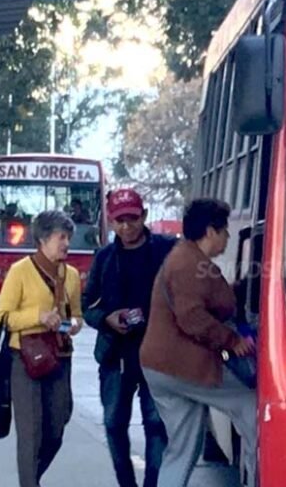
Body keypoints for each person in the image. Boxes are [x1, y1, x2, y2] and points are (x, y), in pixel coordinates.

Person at [140, 199, 256, 487]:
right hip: (185, 366)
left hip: (161, 368)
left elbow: (213, 299)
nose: (228, 237)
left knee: (182, 448)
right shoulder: (188, 263)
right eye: (225, 230)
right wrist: (232, 341)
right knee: (253, 410)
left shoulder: (186, 258)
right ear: (210, 231)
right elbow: (191, 317)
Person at [83, 189, 176, 487]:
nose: (126, 226)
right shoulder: (104, 257)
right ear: (111, 222)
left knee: (156, 426)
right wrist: (107, 319)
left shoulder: (168, 250)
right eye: (120, 220)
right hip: (116, 355)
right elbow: (87, 306)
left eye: (132, 219)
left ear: (144, 216)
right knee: (113, 424)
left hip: (158, 355)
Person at [0, 211, 83, 487]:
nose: (66, 243)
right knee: (30, 433)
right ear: (43, 240)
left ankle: (31, 477)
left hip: (59, 358)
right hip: (26, 359)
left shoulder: (71, 275)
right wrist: (38, 316)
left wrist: (73, 324)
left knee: (56, 427)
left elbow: (75, 315)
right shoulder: (21, 271)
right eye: (61, 237)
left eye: (68, 237)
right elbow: (2, 317)